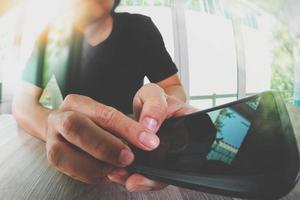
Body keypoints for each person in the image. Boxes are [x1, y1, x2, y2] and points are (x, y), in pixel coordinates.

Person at [12, 0, 197, 192]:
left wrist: (158, 105)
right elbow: (23, 100)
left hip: (138, 151)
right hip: (72, 158)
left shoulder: (141, 28)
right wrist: (53, 127)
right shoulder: (51, 35)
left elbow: (173, 86)